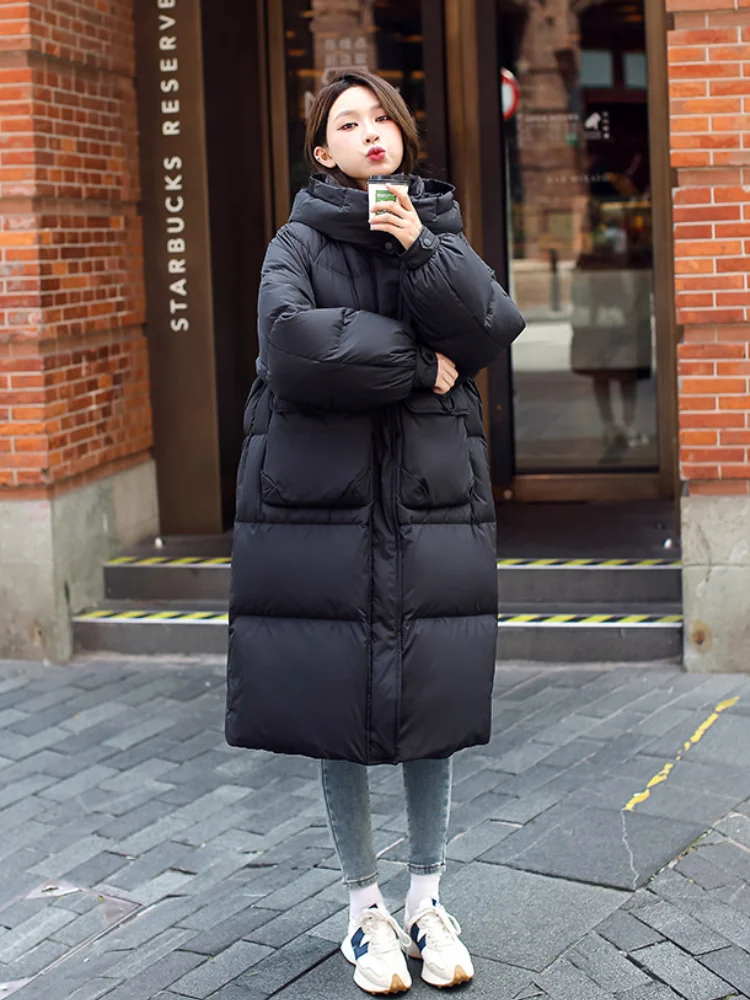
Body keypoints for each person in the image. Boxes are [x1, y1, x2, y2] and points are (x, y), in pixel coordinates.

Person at [225, 70, 525, 995]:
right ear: (324, 151)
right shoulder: (297, 240)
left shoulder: (437, 226)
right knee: (338, 712)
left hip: (431, 499)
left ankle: (428, 902)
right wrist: (413, 364)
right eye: (347, 124)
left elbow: (490, 325)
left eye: (380, 119)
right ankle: (364, 914)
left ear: (403, 135)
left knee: (428, 703)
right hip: (325, 507)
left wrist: (422, 249)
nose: (369, 133)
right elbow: (294, 346)